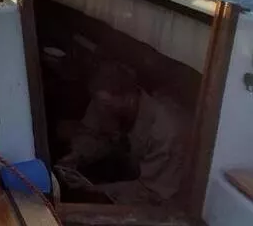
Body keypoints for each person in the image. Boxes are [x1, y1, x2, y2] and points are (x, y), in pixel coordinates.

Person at [55, 61, 188, 205]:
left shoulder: (164, 131)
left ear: (130, 99)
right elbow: (92, 133)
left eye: (105, 105)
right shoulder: (104, 103)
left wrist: (96, 189)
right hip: (128, 174)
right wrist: (76, 155)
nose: (100, 110)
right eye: (98, 103)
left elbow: (152, 192)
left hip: (166, 196)